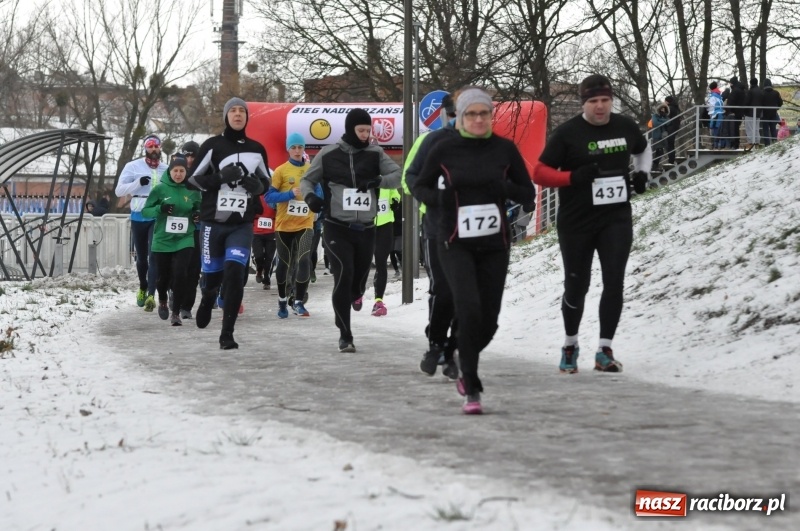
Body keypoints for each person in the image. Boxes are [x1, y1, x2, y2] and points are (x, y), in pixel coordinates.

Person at [411, 87, 536, 414]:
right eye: (471, 114)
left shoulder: (504, 150)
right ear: (460, 117)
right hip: (453, 240)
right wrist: (443, 198)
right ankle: (471, 383)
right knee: (467, 307)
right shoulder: (442, 147)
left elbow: (526, 191)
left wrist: (504, 189)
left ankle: (459, 354)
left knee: (488, 320)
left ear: (491, 116)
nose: (478, 119)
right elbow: (419, 185)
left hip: (495, 243)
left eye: (483, 113)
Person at [532, 74, 651, 375]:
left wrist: (642, 174)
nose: (600, 107)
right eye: (593, 101)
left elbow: (642, 148)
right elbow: (540, 172)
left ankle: (604, 349)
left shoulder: (624, 126)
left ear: (612, 100)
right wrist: (572, 178)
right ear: (584, 102)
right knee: (577, 285)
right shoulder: (568, 133)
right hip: (576, 221)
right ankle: (570, 344)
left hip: (615, 218)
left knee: (614, 281)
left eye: (605, 100)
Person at [299, 107, 402, 352]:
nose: (365, 134)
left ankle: (355, 294)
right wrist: (311, 198)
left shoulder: (376, 153)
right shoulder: (329, 153)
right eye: (361, 130)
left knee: (358, 279)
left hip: (366, 228)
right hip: (337, 226)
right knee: (344, 273)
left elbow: (397, 175)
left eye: (368, 130)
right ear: (350, 129)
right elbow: (307, 180)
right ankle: (346, 334)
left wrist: (379, 181)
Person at [187, 97, 270, 349]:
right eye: (232, 111)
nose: (237, 115)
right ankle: (208, 296)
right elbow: (193, 179)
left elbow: (266, 181)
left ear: (247, 117)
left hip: (241, 225)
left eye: (241, 111)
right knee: (213, 277)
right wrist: (220, 177)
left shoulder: (257, 148)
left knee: (235, 273)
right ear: (226, 116)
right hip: (213, 223)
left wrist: (257, 187)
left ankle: (227, 334)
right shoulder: (212, 145)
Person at [402, 92, 460, 379]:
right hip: (437, 225)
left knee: (466, 292)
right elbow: (407, 179)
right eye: (454, 112)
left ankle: (454, 352)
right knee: (444, 289)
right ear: (445, 114)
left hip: (472, 230)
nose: (460, 118)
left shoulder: (483, 144)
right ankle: (436, 342)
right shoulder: (428, 142)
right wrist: (433, 199)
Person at [141, 155, 201, 326]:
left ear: (186, 172)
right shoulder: (160, 189)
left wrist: (198, 215)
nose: (178, 174)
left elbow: (199, 208)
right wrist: (160, 208)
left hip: (185, 237)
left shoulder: (192, 190)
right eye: (175, 170)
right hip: (163, 239)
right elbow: (146, 211)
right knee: (163, 275)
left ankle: (176, 313)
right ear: (170, 171)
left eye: (182, 171)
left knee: (182, 273)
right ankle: (162, 300)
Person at [265, 132, 317, 318]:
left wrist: (317, 203)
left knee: (303, 260)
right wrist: (288, 195)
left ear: (304, 149)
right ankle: (281, 300)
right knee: (284, 264)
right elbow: (268, 197)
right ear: (288, 149)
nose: (297, 151)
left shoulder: (311, 170)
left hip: (305, 223)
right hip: (284, 225)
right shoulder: (281, 171)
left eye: (300, 147)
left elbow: (319, 193)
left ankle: (298, 301)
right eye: (293, 147)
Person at [115, 134, 168, 311]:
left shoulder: (166, 169)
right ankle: (143, 286)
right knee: (141, 258)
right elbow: (118, 190)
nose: (154, 149)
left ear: (160, 148)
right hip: (138, 215)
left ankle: (151, 295)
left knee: (154, 256)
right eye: (150, 145)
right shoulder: (133, 167)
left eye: (156, 146)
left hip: (157, 216)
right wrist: (137, 183)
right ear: (145, 148)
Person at [176, 141, 202, 319]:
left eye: (193, 155)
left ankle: (187, 306)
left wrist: (200, 213)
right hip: (176, 228)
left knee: (193, 269)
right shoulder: (175, 174)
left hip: (197, 228)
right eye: (187, 155)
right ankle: (173, 294)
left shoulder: (205, 173)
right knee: (176, 267)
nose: (190, 159)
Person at [369, 186, 401, 316]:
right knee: (362, 263)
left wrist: (395, 200)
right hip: (366, 225)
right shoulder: (363, 177)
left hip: (385, 225)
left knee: (381, 263)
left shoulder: (386, 179)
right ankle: (357, 293)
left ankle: (378, 301)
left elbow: (395, 193)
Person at [252, 192, 277, 290]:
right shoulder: (255, 195)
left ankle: (267, 278)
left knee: (269, 258)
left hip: (272, 230)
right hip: (256, 230)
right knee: (259, 256)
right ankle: (259, 269)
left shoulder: (275, 196)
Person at [760, 79, 783, 146]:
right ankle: (774, 143)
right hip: (773, 113)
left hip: (764, 114)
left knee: (765, 130)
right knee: (773, 129)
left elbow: (759, 103)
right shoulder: (776, 93)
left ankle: (767, 144)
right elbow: (780, 102)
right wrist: (776, 108)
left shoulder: (762, 93)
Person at [744, 77, 763, 149]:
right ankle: (757, 142)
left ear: (751, 83)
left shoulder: (750, 91)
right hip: (758, 113)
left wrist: (745, 111)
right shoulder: (761, 91)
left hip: (750, 112)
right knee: (756, 128)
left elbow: (747, 102)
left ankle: (751, 142)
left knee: (749, 128)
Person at [649, 103, 669, 170]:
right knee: (659, 152)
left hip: (663, 137)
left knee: (660, 152)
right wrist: (663, 121)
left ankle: (655, 166)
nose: (663, 110)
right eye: (662, 109)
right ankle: (654, 167)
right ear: (659, 109)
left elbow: (669, 122)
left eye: (664, 109)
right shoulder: (655, 116)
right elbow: (655, 123)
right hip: (656, 136)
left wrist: (661, 121)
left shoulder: (665, 116)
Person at [705, 82, 724, 149]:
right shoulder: (719, 96)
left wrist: (706, 107)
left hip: (714, 114)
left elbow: (710, 106)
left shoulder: (712, 96)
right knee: (719, 129)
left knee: (715, 130)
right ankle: (720, 144)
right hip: (720, 113)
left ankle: (716, 145)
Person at [664, 95, 681, 163]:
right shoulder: (675, 108)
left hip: (671, 128)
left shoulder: (669, 108)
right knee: (671, 145)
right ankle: (671, 159)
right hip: (674, 127)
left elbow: (667, 117)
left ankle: (671, 160)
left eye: (665, 101)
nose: (664, 102)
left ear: (668, 101)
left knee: (669, 145)